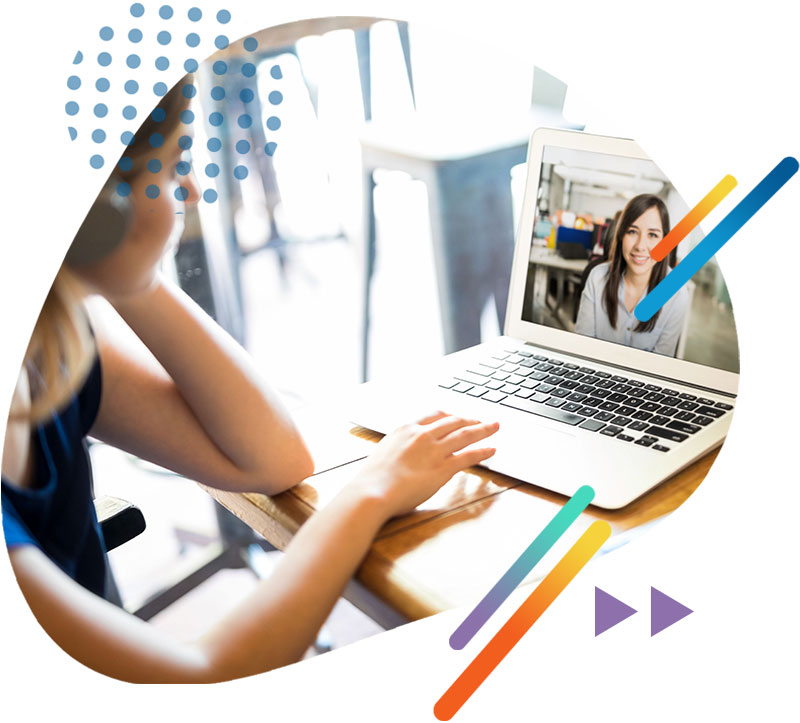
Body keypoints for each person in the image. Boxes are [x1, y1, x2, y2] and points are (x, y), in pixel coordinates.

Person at [1, 77, 499, 682]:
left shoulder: (49, 343)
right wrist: (373, 489)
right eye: (171, 168)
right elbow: (203, 677)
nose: (189, 191)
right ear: (104, 209)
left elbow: (271, 458)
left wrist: (120, 266)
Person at [573, 194, 688, 356]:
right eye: (632, 232)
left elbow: (660, 364)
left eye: (652, 235)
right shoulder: (598, 278)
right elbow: (582, 348)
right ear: (621, 235)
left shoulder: (676, 295)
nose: (640, 246)